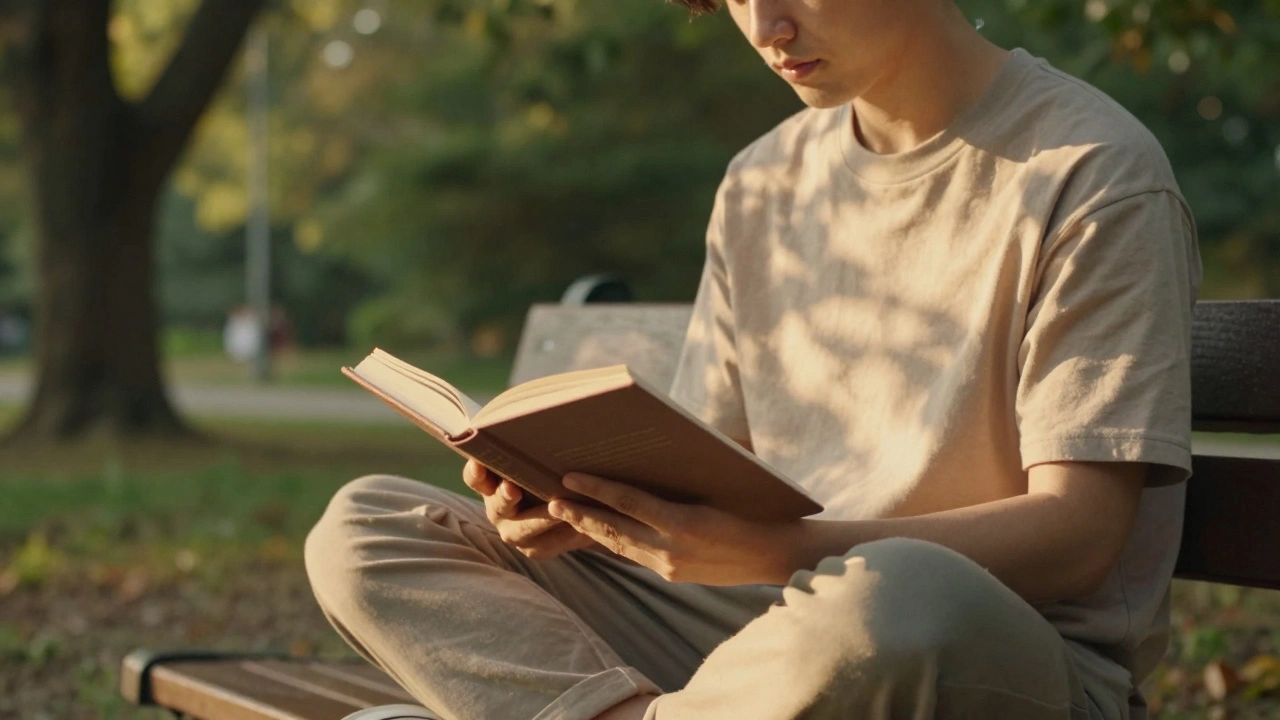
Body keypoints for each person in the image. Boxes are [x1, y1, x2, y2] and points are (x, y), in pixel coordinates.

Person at [305, 1, 1202, 718]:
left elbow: (1080, 535)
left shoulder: (1093, 173)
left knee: (894, 596)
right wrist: (595, 513)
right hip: (761, 635)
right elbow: (715, 481)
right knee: (366, 530)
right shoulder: (762, 179)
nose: (766, 27)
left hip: (974, 652)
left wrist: (783, 548)